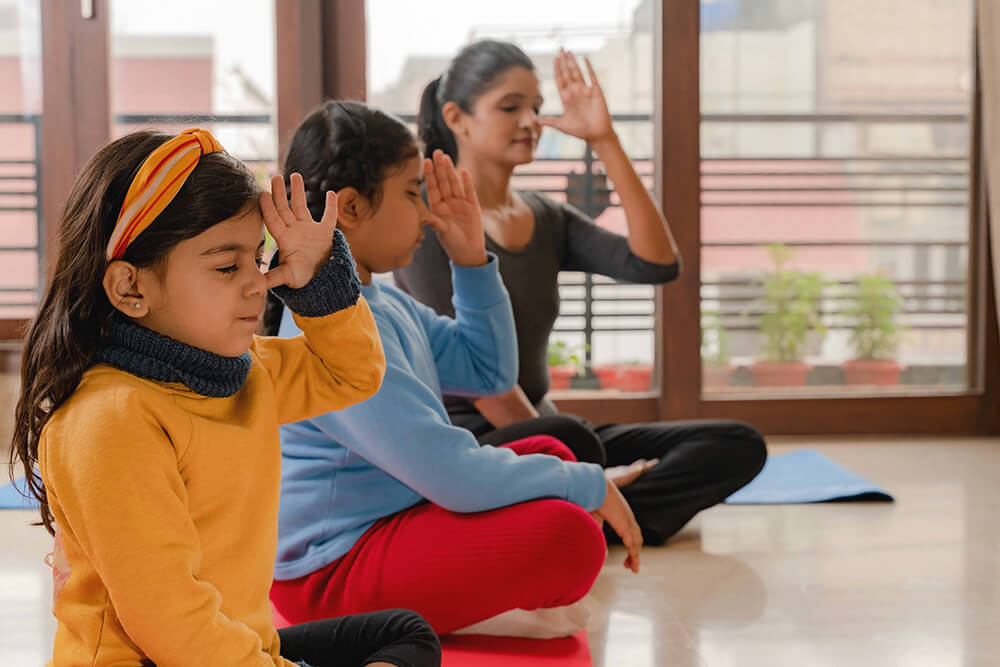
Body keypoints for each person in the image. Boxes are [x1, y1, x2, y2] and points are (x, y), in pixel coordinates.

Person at [9, 128, 440, 667]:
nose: (258, 284)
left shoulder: (244, 373)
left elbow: (354, 373)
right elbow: (172, 625)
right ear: (130, 288)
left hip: (239, 644)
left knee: (406, 634)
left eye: (257, 260)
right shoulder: (108, 420)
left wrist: (319, 278)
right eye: (226, 266)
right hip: (161, 657)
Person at [262, 101, 642, 637]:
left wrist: (471, 257)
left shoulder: (380, 301)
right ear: (349, 207)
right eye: (413, 192)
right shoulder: (324, 327)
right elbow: (451, 474)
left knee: (554, 451)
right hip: (330, 575)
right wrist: (589, 485)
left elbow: (488, 372)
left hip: (396, 518)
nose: (425, 213)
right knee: (570, 537)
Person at [394, 40, 768, 546]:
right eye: (511, 107)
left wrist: (604, 139)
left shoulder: (545, 218)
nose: (531, 121)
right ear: (457, 117)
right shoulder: (433, 221)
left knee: (735, 443)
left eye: (536, 108)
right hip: (476, 447)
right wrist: (574, 462)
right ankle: (590, 503)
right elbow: (487, 386)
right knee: (574, 437)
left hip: (547, 428)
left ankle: (588, 514)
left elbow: (656, 263)